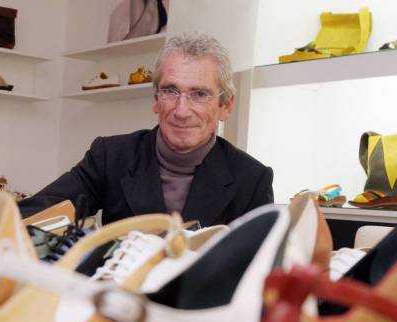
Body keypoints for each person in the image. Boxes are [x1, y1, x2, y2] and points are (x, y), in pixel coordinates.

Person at [19, 32, 273, 226]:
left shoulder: (252, 180)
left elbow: (260, 272)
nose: (181, 110)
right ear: (155, 100)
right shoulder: (111, 156)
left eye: (199, 94)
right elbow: (37, 211)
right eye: (170, 91)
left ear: (225, 106)